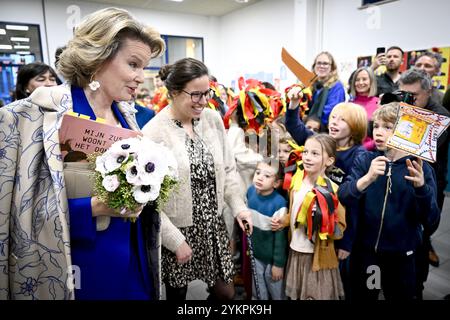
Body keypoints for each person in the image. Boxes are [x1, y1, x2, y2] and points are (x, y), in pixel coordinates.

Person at [0, 7, 165, 300]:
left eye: (144, 66)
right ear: (99, 57)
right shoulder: (36, 117)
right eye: (133, 64)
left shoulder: (126, 114)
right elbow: (18, 213)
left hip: (133, 261)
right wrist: (93, 207)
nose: (142, 77)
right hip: (79, 270)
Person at [141, 57, 253, 301]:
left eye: (207, 93)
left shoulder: (211, 119)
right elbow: (149, 198)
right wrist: (174, 240)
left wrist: (239, 207)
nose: (203, 101)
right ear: (173, 92)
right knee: (177, 294)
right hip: (178, 229)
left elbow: (228, 169)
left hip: (213, 225)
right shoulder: (152, 133)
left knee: (226, 292)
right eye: (196, 95)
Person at [338, 102, 440, 300]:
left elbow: (431, 222)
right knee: (366, 295)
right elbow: (344, 195)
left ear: (406, 132)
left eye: (387, 127)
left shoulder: (420, 168)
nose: (378, 132)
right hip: (369, 257)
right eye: (376, 126)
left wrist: (421, 189)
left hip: (402, 258)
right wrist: (367, 179)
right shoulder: (367, 160)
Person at [278, 134, 346, 300]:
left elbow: (340, 229)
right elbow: (293, 211)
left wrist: (325, 220)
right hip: (296, 251)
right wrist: (285, 220)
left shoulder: (332, 190)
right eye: (306, 152)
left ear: (329, 161)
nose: (307, 157)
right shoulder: (296, 181)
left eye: (315, 154)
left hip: (317, 258)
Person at [247, 158, 288, 300]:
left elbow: (280, 238)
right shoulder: (250, 192)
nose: (260, 177)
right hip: (255, 254)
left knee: (276, 291)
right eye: (258, 173)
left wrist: (278, 264)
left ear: (276, 183)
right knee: (258, 291)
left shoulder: (279, 204)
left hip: (272, 259)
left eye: (267, 176)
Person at [307, 52, 346, 127]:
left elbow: (331, 111)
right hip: (309, 125)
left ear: (332, 67)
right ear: (314, 66)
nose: (321, 66)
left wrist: (311, 120)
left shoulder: (336, 86)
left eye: (325, 63)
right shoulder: (311, 85)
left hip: (325, 128)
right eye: (318, 63)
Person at [349, 67, 379, 150]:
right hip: (351, 151)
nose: (360, 82)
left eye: (364, 79)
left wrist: (365, 147)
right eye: (357, 80)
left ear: (371, 82)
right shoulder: (349, 105)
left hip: (372, 151)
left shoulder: (379, 104)